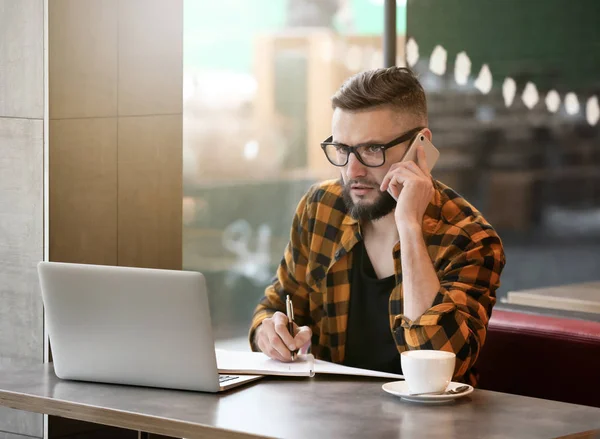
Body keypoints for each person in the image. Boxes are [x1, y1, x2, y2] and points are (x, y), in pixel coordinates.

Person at [249, 67, 505, 385]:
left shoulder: (469, 238)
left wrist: (410, 227)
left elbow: (436, 367)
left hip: (428, 425)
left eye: (372, 149)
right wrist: (268, 331)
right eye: (342, 149)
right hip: (329, 419)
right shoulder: (322, 208)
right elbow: (276, 303)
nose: (352, 170)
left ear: (420, 146)